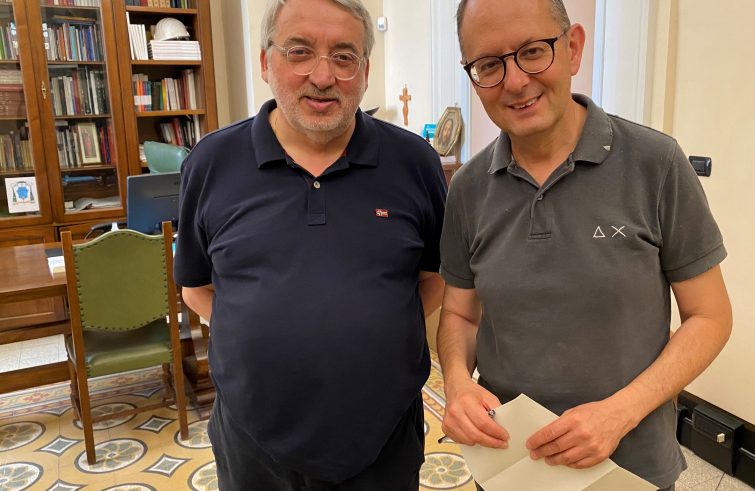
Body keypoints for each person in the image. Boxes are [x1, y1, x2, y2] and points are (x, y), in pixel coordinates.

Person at [437, 0, 732, 489]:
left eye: (533, 51)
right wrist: (457, 383)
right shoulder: (467, 188)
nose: (515, 82)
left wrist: (621, 412)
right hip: (509, 463)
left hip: (629, 467)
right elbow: (460, 315)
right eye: (489, 64)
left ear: (573, 48)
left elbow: (710, 317)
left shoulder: (656, 164)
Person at [174, 0, 447, 489]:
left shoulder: (415, 162)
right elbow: (196, 288)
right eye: (299, 52)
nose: (323, 76)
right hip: (254, 442)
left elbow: (434, 278)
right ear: (265, 62)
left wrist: (371, 334)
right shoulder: (211, 163)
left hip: (383, 437)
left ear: (365, 72)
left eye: (344, 57)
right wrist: (262, 335)